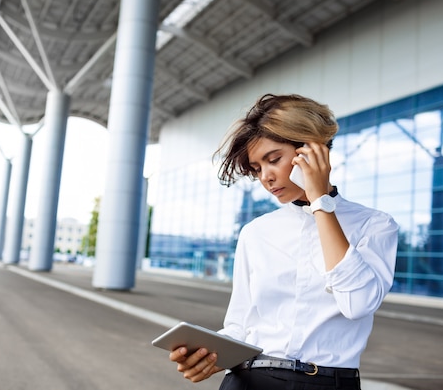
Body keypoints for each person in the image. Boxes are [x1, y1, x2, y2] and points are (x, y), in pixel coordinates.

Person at [169, 94, 399, 390]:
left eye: (273, 159)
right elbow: (240, 323)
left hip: (327, 383)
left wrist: (320, 202)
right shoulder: (256, 232)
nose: (266, 177)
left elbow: (357, 303)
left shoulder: (375, 225)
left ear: (312, 150)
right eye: (257, 168)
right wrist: (209, 356)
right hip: (248, 380)